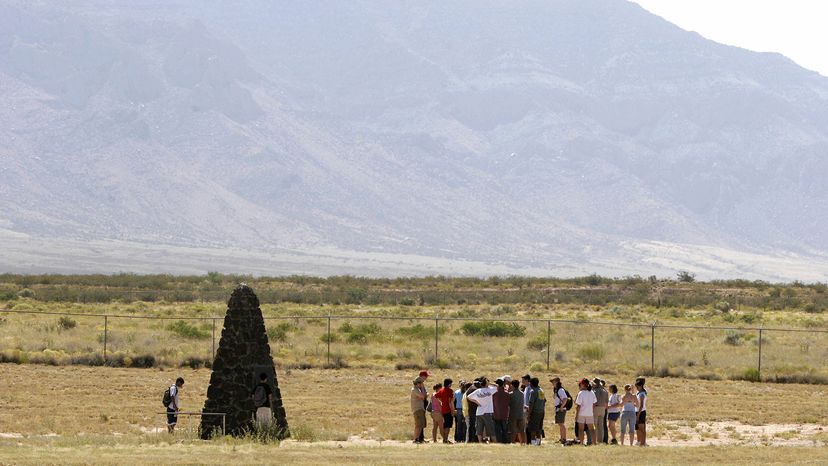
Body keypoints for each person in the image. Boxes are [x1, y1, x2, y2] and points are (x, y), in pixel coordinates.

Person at [467, 377, 497, 443]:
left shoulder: (478, 391)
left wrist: (476, 402)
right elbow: (497, 386)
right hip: (487, 412)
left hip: (479, 412)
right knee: (490, 429)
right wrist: (490, 383)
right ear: (486, 383)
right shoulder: (490, 389)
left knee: (479, 429)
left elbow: (468, 397)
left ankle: (480, 442)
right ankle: (495, 442)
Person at [575, 378, 597, 446]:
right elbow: (594, 403)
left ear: (582, 384)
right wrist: (591, 411)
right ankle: (594, 443)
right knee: (592, 429)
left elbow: (578, 405)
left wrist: (576, 415)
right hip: (589, 413)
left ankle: (581, 443)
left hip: (581, 413)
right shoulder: (592, 392)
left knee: (581, 429)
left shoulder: (581, 393)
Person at [435, 378, 457, 443]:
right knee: (448, 426)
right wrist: (453, 411)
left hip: (443, 410)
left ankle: (445, 439)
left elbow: (436, 396)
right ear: (449, 384)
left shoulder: (441, 390)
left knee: (445, 425)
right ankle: (445, 439)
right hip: (448, 410)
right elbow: (450, 402)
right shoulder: (450, 390)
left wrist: (441, 402)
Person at [550, 377, 569, 444]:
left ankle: (564, 439)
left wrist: (561, 407)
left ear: (557, 382)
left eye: (553, 382)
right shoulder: (557, 389)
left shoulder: (560, 390)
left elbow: (565, 399)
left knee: (561, 424)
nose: (552, 383)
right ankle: (562, 438)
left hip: (561, 409)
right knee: (560, 424)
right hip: (559, 408)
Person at [526, 377, 545, 445]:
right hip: (542, 411)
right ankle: (538, 442)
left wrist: (529, 414)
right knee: (539, 428)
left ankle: (533, 443)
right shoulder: (541, 390)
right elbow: (544, 401)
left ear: (531, 383)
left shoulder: (533, 391)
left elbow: (531, 403)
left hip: (535, 412)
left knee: (533, 428)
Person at [507, 379, 527, 445]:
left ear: (512, 385)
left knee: (513, 430)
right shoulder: (522, 394)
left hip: (513, 414)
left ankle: (512, 442)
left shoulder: (510, 394)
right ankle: (523, 442)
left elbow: (508, 404)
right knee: (522, 430)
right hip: (521, 414)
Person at [492, 379, 510, 443]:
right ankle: (505, 441)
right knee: (504, 429)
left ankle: (499, 441)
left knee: (497, 429)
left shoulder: (494, 394)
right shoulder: (507, 394)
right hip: (504, 414)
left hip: (496, 414)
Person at [411, 377, 428, 443]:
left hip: (420, 408)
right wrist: (423, 393)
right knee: (418, 425)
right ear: (418, 383)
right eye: (421, 383)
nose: (422, 384)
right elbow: (423, 396)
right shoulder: (414, 390)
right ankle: (415, 439)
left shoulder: (418, 389)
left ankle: (417, 439)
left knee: (421, 424)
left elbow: (424, 396)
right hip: (417, 409)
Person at [592, 377, 608, 445]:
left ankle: (594, 440)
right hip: (603, 409)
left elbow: (594, 401)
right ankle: (600, 440)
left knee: (594, 425)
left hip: (596, 408)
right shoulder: (604, 390)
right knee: (601, 426)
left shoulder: (595, 391)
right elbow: (607, 402)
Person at [635, 377, 648, 446]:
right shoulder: (640, 393)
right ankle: (641, 442)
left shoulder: (642, 394)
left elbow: (641, 405)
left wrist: (638, 415)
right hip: (638, 411)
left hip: (641, 412)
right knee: (638, 428)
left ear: (640, 386)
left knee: (642, 428)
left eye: (637, 386)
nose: (636, 388)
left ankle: (643, 443)